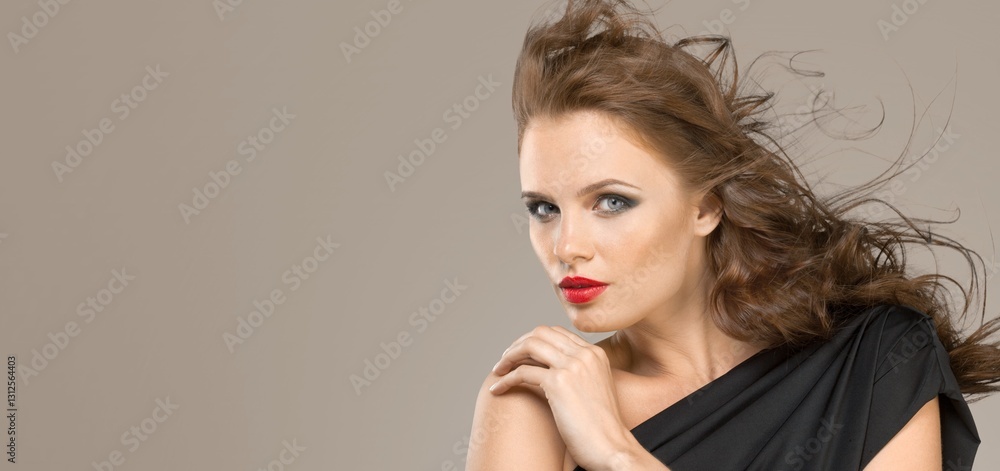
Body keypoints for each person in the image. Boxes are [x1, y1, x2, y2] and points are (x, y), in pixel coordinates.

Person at [465, 0, 1000, 470]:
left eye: (612, 202)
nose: (566, 246)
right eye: (544, 208)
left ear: (705, 207)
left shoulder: (877, 360)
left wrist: (619, 456)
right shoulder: (536, 399)